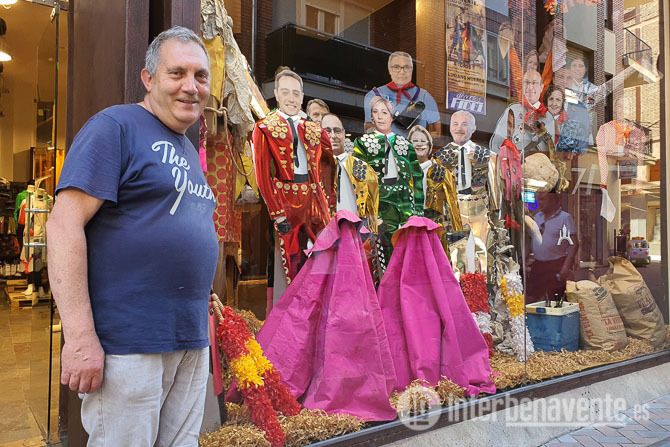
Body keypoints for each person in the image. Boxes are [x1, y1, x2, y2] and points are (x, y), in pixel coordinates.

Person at [46, 26, 218, 446]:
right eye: (177, 73)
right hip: (128, 343)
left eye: (200, 76)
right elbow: (63, 225)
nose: (191, 86)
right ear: (148, 78)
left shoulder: (185, 147)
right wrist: (80, 338)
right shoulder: (116, 126)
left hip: (188, 339)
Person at [252, 68, 332, 307]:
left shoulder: (313, 128)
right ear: (276, 94)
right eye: (285, 92)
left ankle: (319, 308)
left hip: (313, 199)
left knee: (324, 256)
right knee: (291, 262)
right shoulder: (264, 127)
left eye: (296, 93)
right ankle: (292, 314)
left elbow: (329, 160)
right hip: (285, 200)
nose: (291, 98)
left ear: (303, 96)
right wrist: (277, 213)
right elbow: (263, 175)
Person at [353, 96, 423, 273]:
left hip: (404, 201)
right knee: (382, 249)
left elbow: (417, 177)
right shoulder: (362, 143)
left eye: (384, 112)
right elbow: (358, 179)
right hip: (379, 203)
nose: (380, 116)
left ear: (392, 116)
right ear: (371, 116)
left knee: (407, 249)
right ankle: (385, 286)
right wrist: (366, 212)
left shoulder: (405, 144)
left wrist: (418, 210)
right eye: (375, 112)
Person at [322, 113, 378, 231]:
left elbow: (372, 206)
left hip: (355, 232)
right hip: (324, 231)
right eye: (327, 131)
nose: (333, 135)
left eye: (337, 131)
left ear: (343, 133)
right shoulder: (314, 168)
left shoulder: (363, 168)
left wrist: (371, 232)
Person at [364, 51, 441, 137]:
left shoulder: (425, 97)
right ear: (389, 69)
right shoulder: (373, 95)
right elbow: (368, 128)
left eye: (406, 67)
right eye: (396, 67)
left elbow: (437, 133)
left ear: (412, 69)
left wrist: (419, 139)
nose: (402, 71)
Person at [408, 125, 462, 236]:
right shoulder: (403, 171)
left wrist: (457, 230)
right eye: (415, 141)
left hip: (433, 227)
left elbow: (452, 201)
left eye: (423, 141)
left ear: (429, 145)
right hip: (409, 226)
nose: (419, 144)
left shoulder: (440, 171)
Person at [526, 192, 579, 303]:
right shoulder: (537, 217)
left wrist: (566, 267)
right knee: (533, 299)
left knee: (555, 301)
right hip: (538, 265)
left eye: (543, 199)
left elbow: (574, 244)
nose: (539, 203)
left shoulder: (565, 218)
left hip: (556, 265)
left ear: (553, 200)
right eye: (538, 199)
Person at [490, 70, 556, 155]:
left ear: (541, 87)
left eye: (534, 83)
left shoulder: (548, 117)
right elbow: (496, 144)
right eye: (527, 83)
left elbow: (550, 151)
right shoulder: (513, 110)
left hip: (537, 162)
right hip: (514, 161)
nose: (530, 87)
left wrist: (537, 131)